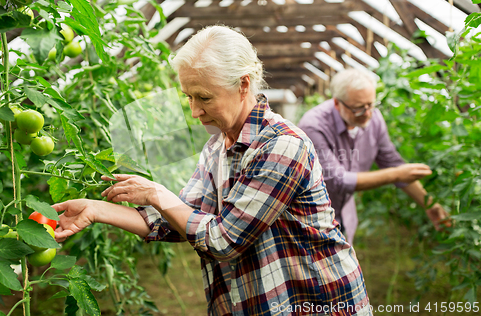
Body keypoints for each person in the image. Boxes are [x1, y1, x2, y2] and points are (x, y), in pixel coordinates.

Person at [52, 26, 372, 315]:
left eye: (204, 97)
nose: (194, 111)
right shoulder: (217, 147)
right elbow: (177, 220)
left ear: (243, 85)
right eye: (188, 97)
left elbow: (224, 241)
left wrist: (158, 193)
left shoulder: (282, 145)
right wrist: (95, 209)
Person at [297, 68, 449, 245]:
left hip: (345, 216)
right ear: (337, 103)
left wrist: (429, 205)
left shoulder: (374, 119)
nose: (367, 113)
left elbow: (392, 162)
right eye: (359, 108)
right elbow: (338, 180)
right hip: (312, 222)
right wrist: (396, 174)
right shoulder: (314, 126)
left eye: (370, 104)